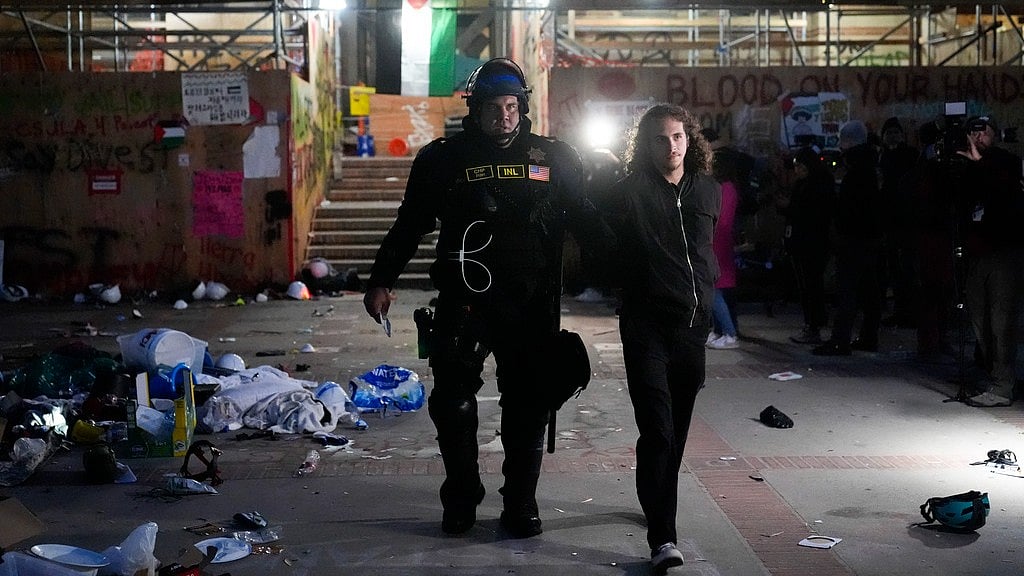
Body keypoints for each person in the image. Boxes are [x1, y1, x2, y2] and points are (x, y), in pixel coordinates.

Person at [361, 58, 612, 538]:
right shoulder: (442, 159)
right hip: (464, 299)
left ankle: (521, 501)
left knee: (530, 402)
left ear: (523, 107)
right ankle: (462, 496)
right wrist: (381, 280)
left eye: (512, 106)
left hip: (532, 303)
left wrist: (626, 269)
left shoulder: (555, 157)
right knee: (452, 400)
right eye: (494, 107)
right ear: (474, 109)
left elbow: (585, 218)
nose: (504, 116)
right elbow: (411, 223)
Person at [601, 104, 720, 572]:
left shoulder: (709, 190)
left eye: (676, 138)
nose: (669, 147)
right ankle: (662, 537)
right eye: (659, 139)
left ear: (689, 140)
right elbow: (601, 244)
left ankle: (655, 498)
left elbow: (707, 253)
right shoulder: (626, 193)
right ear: (644, 145)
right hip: (646, 327)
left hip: (692, 328)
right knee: (657, 428)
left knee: (677, 432)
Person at [956, 115, 1024, 407]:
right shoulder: (964, 166)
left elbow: (1004, 194)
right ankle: (994, 374)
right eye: (973, 131)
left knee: (1001, 318)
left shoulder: (1006, 161)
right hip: (977, 252)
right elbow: (960, 202)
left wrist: (979, 164)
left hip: (1004, 252)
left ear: (995, 133)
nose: (978, 136)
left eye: (983, 131)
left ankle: (1003, 384)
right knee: (978, 316)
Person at [813, 120, 884, 356]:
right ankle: (868, 336)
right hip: (870, 236)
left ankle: (840, 339)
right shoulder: (871, 165)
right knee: (868, 290)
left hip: (854, 238)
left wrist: (839, 227)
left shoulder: (856, 169)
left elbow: (849, 207)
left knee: (848, 291)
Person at [777, 146, 836, 345]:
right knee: (806, 286)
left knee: (812, 286)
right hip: (800, 242)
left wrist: (790, 207)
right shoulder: (803, 183)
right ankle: (811, 324)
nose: (797, 170)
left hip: (811, 243)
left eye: (801, 166)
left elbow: (812, 214)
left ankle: (814, 326)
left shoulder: (818, 185)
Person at [877, 117, 920, 329]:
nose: (892, 136)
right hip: (892, 220)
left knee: (906, 269)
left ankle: (908, 310)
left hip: (906, 220)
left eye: (896, 132)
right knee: (896, 269)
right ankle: (903, 310)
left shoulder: (908, 156)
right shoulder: (883, 157)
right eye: (889, 132)